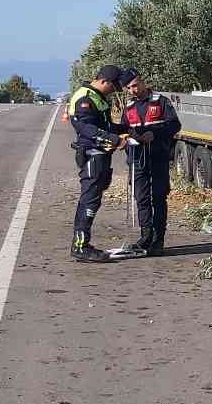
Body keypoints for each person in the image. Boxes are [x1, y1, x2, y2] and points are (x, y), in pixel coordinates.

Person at [68, 64, 129, 263]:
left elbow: (106, 124)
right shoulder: (84, 97)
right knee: (89, 200)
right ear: (104, 81)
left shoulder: (98, 97)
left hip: (101, 156)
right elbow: (86, 127)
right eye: (113, 87)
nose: (114, 91)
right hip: (92, 155)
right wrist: (114, 139)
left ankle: (82, 244)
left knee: (94, 199)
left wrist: (129, 129)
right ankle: (81, 246)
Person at [118, 69, 181, 256]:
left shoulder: (161, 101)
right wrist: (122, 139)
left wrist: (154, 133)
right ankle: (145, 236)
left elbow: (174, 125)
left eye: (135, 85)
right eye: (128, 88)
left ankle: (158, 239)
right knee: (141, 198)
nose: (133, 90)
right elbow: (122, 128)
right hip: (136, 158)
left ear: (143, 82)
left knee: (158, 197)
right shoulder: (129, 107)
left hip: (158, 156)